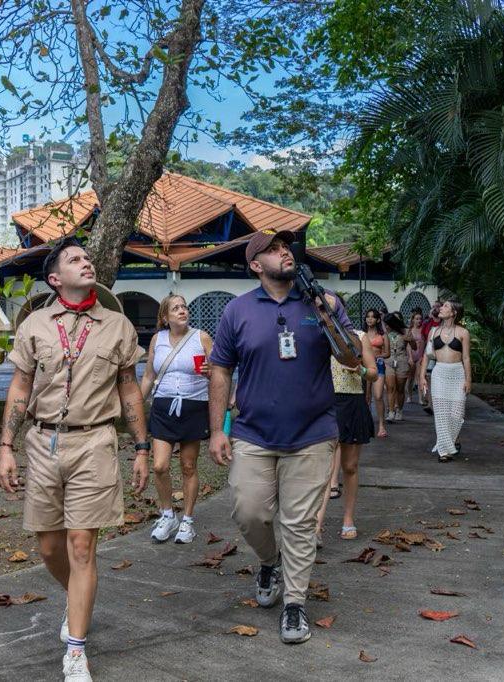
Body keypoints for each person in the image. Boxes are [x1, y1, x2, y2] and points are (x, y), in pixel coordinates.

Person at [0, 238, 150, 682]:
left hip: (95, 443)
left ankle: (76, 649)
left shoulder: (118, 326)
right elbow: (21, 387)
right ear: (55, 277)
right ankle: (78, 598)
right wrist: (6, 446)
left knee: (82, 545)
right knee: (49, 546)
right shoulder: (35, 326)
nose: (87, 263)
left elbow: (128, 389)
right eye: (75, 259)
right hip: (43, 444)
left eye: (88, 257)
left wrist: (141, 448)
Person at [207, 228, 355, 645]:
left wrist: (324, 313)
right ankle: (269, 561)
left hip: (313, 433)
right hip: (253, 433)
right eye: (271, 250)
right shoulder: (237, 311)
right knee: (249, 511)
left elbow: (351, 359)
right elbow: (220, 369)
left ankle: (294, 604)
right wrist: (217, 429)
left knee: (300, 523)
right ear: (256, 265)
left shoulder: (324, 303)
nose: (283, 252)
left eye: (285, 246)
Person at [140, 294, 213, 544]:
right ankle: (168, 514)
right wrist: (137, 404)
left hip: (194, 405)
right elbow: (149, 375)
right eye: (176, 308)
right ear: (165, 317)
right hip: (163, 406)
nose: (182, 311)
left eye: (184, 307)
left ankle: (188, 521)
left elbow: (219, 371)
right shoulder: (157, 340)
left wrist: (210, 370)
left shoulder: (201, 337)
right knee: (159, 465)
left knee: (188, 466)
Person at [315, 327, 377, 543]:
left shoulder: (358, 337)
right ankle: (316, 527)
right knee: (322, 468)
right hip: (324, 403)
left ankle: (348, 519)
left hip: (352, 401)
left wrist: (359, 370)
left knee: (350, 466)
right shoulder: (316, 333)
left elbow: (373, 373)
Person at [419, 300, 472, 462]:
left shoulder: (463, 332)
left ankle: (451, 441)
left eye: (445, 306)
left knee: (457, 413)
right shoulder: (433, 332)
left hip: (457, 373)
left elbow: (466, 358)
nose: (441, 308)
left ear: (454, 312)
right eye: (442, 306)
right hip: (439, 373)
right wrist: (422, 377)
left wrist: (468, 380)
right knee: (441, 414)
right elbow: (426, 356)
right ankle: (444, 451)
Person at [384, 312, 417, 422]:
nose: (386, 326)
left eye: (388, 324)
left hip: (402, 361)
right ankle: (391, 411)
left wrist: (410, 340)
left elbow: (414, 347)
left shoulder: (406, 331)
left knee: (400, 389)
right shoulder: (384, 333)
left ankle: (399, 410)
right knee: (390, 387)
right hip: (388, 361)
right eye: (385, 324)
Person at [364, 309, 390, 438]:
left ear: (378, 319)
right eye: (368, 317)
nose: (369, 319)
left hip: (378, 365)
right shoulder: (362, 334)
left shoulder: (383, 334)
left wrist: (378, 356)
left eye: (373, 317)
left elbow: (387, 353)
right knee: (366, 397)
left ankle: (381, 425)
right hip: (364, 366)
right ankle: (366, 426)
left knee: (378, 395)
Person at [419, 301, 442, 415]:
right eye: (433, 307)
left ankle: (437, 403)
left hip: (442, 355)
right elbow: (423, 340)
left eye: (438, 306)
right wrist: (421, 355)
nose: (435, 309)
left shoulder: (444, 323)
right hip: (430, 355)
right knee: (429, 378)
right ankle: (430, 404)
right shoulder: (427, 323)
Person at [407, 309, 425, 404]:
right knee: (410, 378)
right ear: (413, 320)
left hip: (420, 355)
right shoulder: (409, 330)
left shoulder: (423, 330)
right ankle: (409, 396)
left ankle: (420, 398)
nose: (419, 320)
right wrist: (410, 357)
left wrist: (423, 356)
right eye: (417, 319)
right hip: (411, 355)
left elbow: (425, 344)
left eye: (420, 319)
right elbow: (408, 345)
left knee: (419, 376)